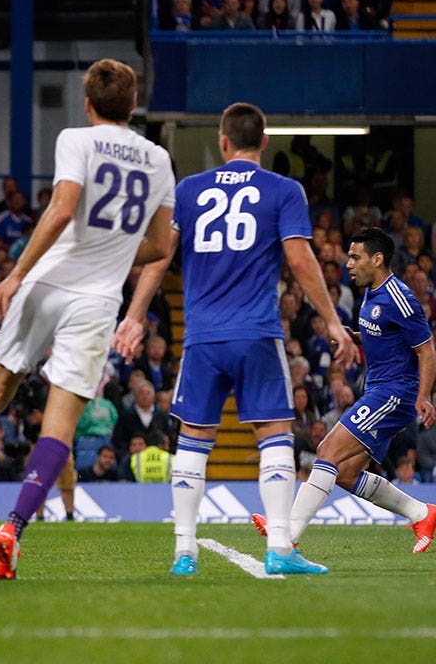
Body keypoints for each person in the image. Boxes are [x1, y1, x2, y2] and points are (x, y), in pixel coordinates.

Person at [0, 59, 176, 581]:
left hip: (48, 280)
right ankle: (12, 530)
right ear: (133, 106)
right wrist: (115, 249)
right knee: (60, 424)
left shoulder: (76, 139)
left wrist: (16, 274)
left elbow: (62, 209)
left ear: (88, 104)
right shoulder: (157, 160)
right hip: (97, 300)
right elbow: (158, 246)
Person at [116, 101, 354, 577]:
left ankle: (184, 551)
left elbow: (160, 258)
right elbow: (301, 260)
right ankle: (281, 546)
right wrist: (330, 319)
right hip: (256, 334)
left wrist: (135, 316)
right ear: (264, 141)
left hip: (202, 337)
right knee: (273, 436)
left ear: (223, 142)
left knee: (194, 442)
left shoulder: (189, 190)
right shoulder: (284, 190)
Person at [253, 229, 436, 555]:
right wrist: (354, 335)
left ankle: (287, 534)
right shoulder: (371, 292)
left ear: (377, 259)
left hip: (396, 393)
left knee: (327, 451)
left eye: (355, 257)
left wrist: (423, 397)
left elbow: (426, 350)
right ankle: (422, 514)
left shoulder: (399, 297)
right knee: (347, 474)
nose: (348, 264)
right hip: (379, 390)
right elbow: (387, 336)